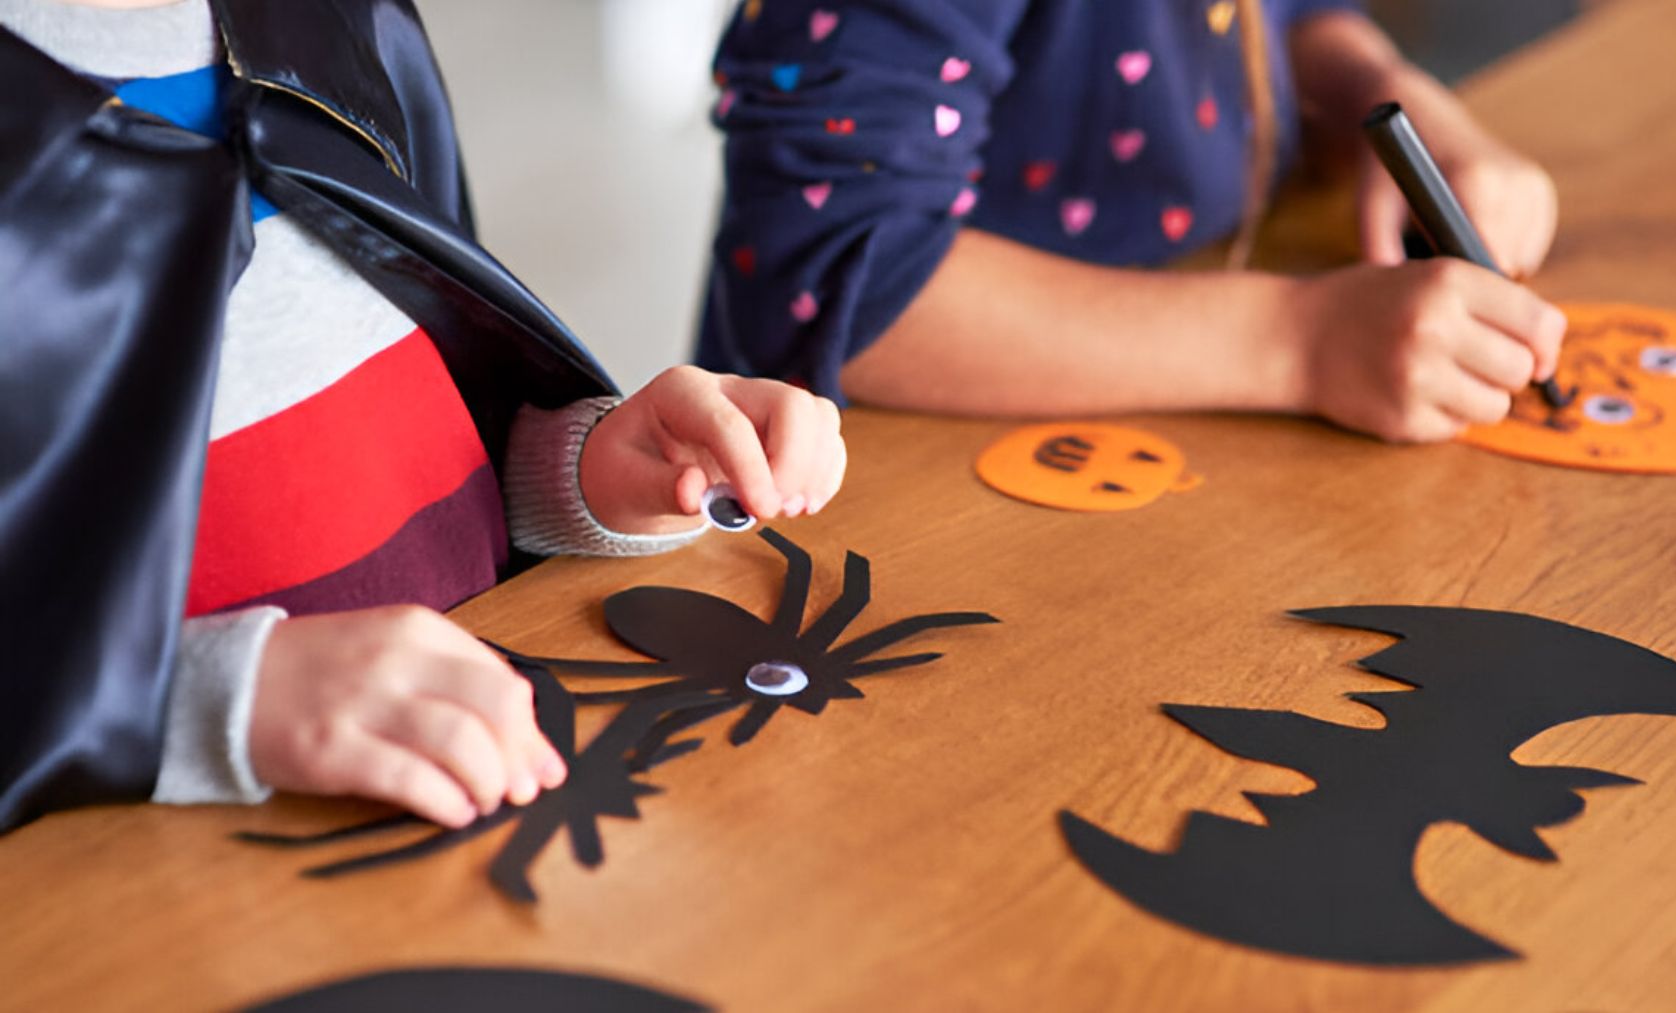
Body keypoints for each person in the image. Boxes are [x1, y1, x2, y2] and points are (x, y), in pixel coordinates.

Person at [0, 0, 845, 832]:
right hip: (168, 882)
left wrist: (587, 469)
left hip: (475, 788)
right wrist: (215, 697)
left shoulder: (344, 24)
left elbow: (427, 415)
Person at [699, 0, 1567, 443]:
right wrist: (1303, 340)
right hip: (895, 486)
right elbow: (833, 277)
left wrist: (1377, 86)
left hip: (1174, 392)